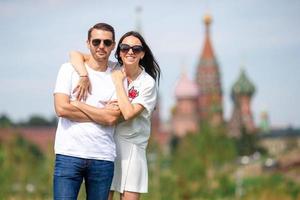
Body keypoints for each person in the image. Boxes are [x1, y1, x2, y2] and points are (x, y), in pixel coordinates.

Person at [70, 31, 161, 200]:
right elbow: (74, 55)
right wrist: (83, 75)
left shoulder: (147, 83)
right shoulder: (113, 68)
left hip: (133, 147)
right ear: (119, 52)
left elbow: (127, 113)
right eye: (125, 48)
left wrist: (118, 82)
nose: (130, 52)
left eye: (136, 48)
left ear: (142, 53)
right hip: (108, 147)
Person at [53, 23, 121, 200]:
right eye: (96, 41)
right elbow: (61, 108)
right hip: (69, 154)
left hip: (102, 156)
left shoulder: (117, 76)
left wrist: (78, 105)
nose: (101, 46)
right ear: (88, 43)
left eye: (107, 42)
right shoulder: (68, 69)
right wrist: (100, 112)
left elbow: (111, 117)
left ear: (113, 45)